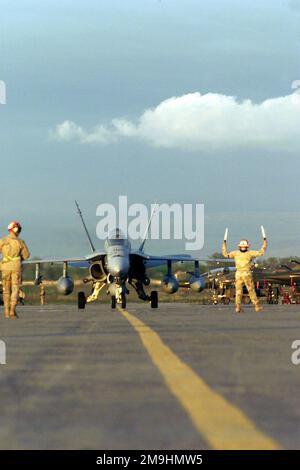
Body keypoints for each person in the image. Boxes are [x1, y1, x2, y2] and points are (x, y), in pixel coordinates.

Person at [222, 237, 267, 313]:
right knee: (251, 291)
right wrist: (265, 243)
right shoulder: (250, 253)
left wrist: (224, 243)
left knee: (238, 292)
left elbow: (225, 254)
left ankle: (238, 307)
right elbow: (261, 252)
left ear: (239, 246)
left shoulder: (235, 253)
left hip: (238, 274)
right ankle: (257, 306)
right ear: (247, 246)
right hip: (247, 274)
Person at [0, 221, 30, 318]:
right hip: (16, 267)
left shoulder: (3, 241)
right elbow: (26, 256)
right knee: (15, 288)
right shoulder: (20, 242)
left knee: (6, 290)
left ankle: (6, 311)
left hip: (5, 267)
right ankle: (12, 309)